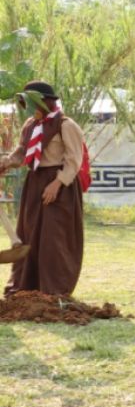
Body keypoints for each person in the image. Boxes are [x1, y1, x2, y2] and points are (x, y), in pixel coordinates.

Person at [0, 81, 86, 297]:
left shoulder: (66, 125)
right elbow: (22, 152)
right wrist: (6, 162)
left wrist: (57, 183)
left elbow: (74, 160)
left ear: (45, 102)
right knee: (29, 234)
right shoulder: (30, 125)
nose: (29, 108)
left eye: (32, 103)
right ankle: (26, 287)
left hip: (59, 186)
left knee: (53, 238)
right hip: (35, 182)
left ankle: (54, 289)